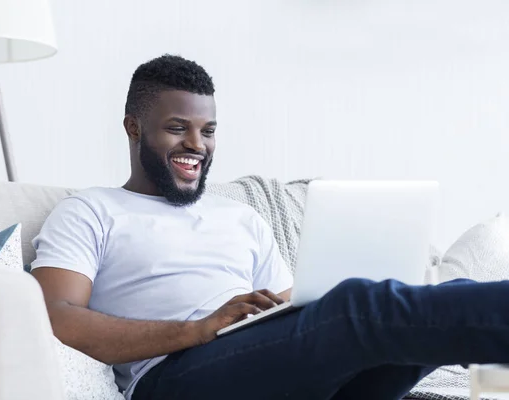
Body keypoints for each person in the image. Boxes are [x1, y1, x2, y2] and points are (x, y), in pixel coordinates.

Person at [30, 54, 509, 400]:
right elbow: (55, 316)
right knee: (359, 309)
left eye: (209, 130)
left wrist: (293, 308)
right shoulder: (91, 210)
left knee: (430, 313)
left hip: (271, 366)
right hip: (174, 376)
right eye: (178, 128)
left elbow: (285, 309)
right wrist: (195, 331)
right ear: (134, 128)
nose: (197, 144)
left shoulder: (238, 216)